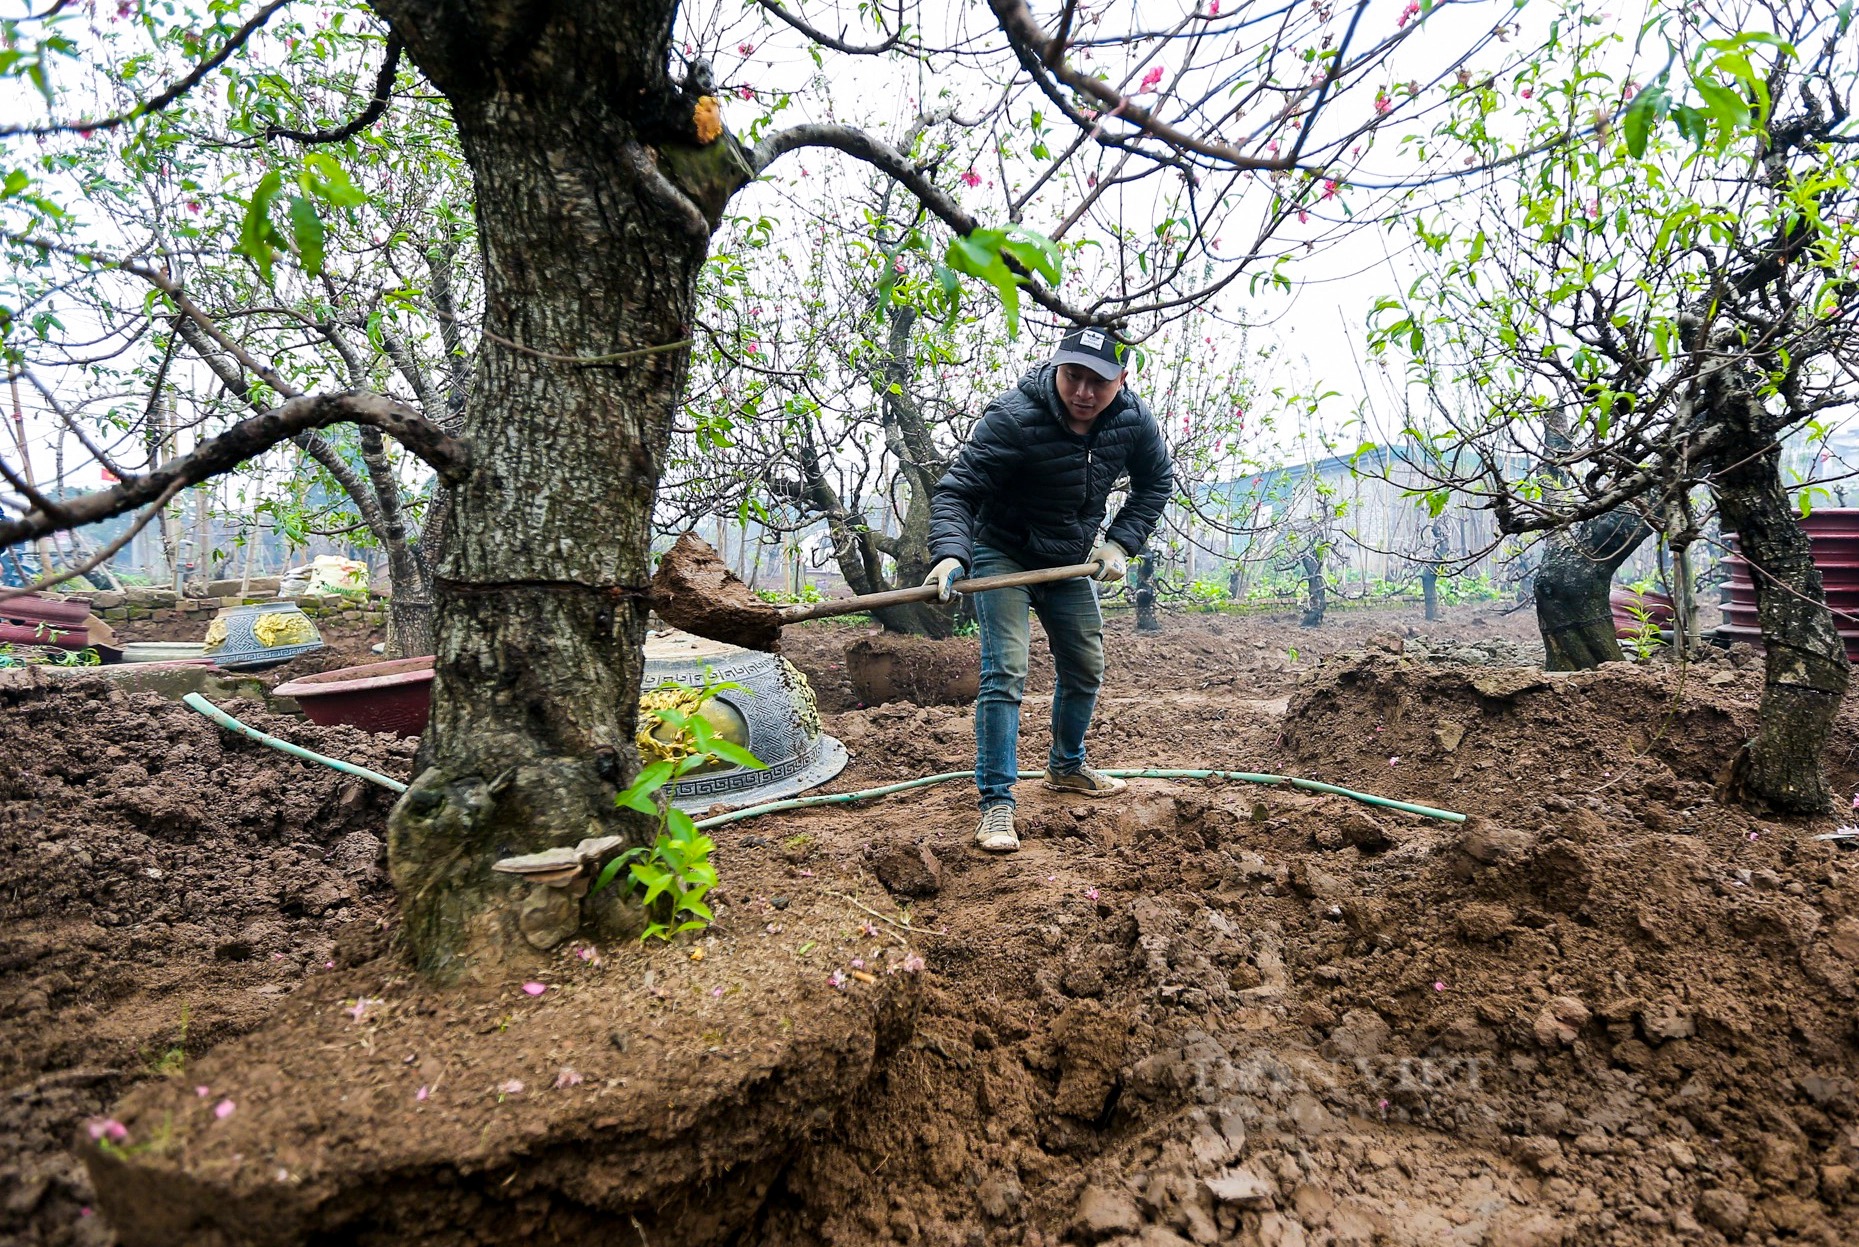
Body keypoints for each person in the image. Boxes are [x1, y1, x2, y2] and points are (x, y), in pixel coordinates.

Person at [924, 326, 1174, 853]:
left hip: (1067, 561)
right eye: (1072, 375)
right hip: (1003, 554)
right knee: (1006, 669)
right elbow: (958, 491)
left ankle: (1066, 766)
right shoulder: (1014, 416)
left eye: (1097, 381)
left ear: (1122, 380)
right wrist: (950, 553)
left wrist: (1119, 544)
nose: (1082, 391)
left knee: (1085, 662)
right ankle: (996, 803)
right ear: (1056, 368)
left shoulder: (1133, 420)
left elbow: (1156, 483)